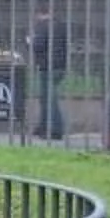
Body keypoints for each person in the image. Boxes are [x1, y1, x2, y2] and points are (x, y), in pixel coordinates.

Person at [28, 10, 68, 140]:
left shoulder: (44, 27)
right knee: (46, 98)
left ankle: (55, 129)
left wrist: (30, 41)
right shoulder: (61, 26)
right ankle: (44, 126)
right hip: (60, 66)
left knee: (48, 99)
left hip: (48, 66)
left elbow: (38, 45)